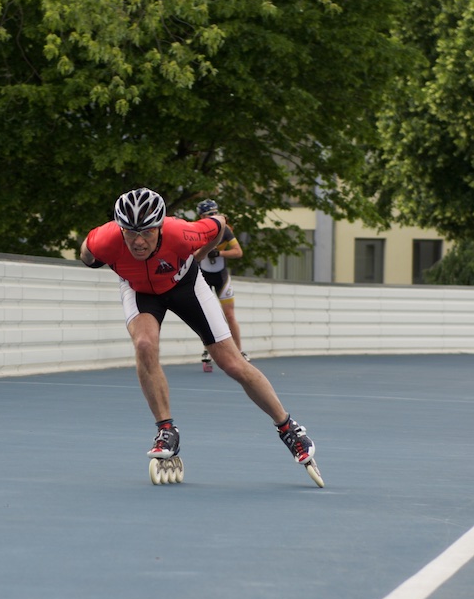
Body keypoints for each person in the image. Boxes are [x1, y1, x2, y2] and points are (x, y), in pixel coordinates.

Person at [78, 186, 316, 471]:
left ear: (160, 227)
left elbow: (220, 223)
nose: (138, 241)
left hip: (186, 285)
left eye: (147, 232)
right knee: (144, 344)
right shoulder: (104, 239)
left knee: (231, 363)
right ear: (120, 229)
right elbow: (87, 254)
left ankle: (288, 428)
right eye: (130, 232)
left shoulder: (181, 233)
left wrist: (200, 254)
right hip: (140, 291)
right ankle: (166, 430)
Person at [192, 199, 246, 370]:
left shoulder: (225, 229)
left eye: (215, 213)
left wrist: (219, 253)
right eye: (209, 214)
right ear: (201, 216)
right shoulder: (196, 229)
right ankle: (208, 350)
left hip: (221, 277)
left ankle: (239, 351)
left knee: (229, 315)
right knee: (207, 316)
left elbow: (238, 252)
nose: (214, 216)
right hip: (204, 277)